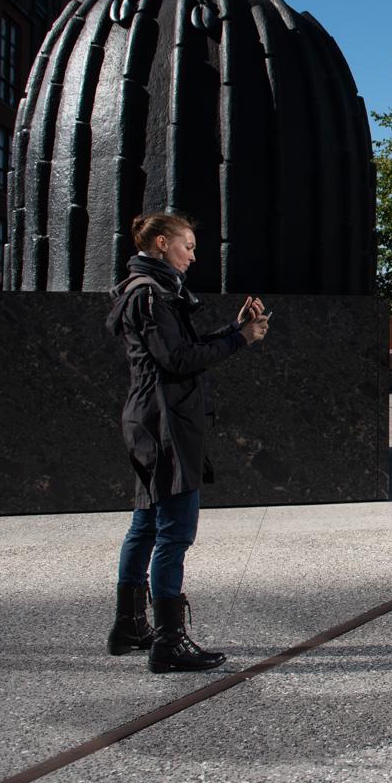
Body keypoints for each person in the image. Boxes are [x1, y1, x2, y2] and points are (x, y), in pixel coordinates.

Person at [104, 210, 270, 673]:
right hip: (165, 425)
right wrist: (241, 341)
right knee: (174, 532)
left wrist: (234, 330)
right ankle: (168, 642)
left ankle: (130, 625)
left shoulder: (149, 291)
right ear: (161, 243)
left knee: (146, 524)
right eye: (188, 246)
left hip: (151, 418)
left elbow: (181, 350)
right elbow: (177, 360)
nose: (193, 257)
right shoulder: (152, 296)